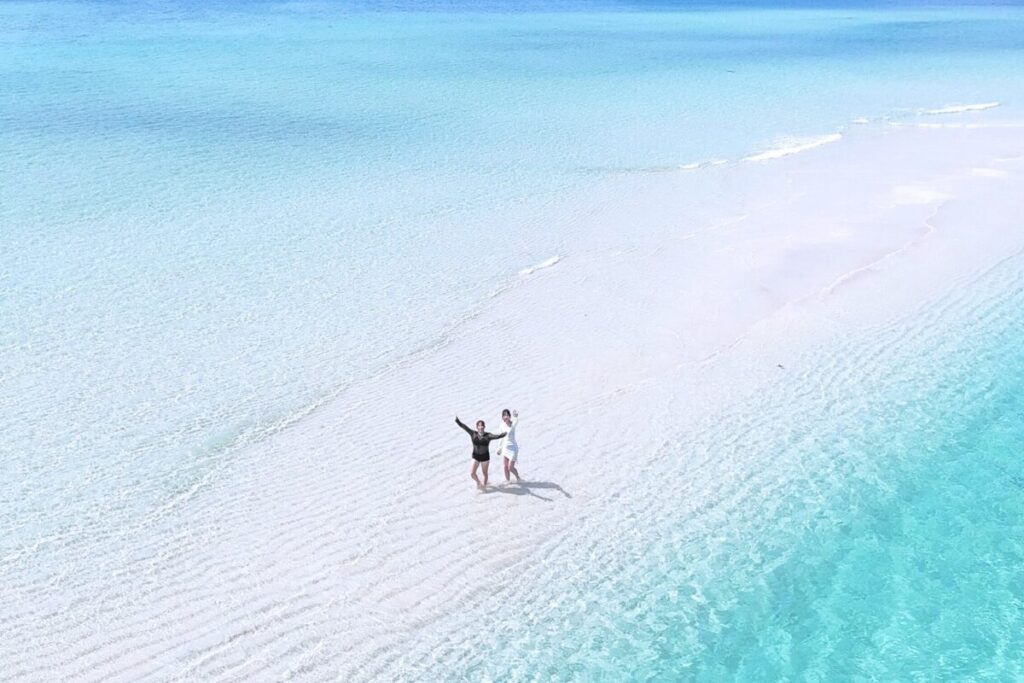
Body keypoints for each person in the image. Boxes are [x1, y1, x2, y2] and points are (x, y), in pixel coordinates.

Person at [455, 416, 506, 490]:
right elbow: (464, 427)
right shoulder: (473, 433)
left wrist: (504, 434)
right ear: (477, 427)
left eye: (482, 425)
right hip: (475, 457)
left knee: (484, 473)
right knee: (472, 473)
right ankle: (479, 483)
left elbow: (497, 436)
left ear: (484, 426)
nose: (481, 427)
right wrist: (457, 421)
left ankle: (484, 488)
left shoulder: (488, 435)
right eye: (479, 425)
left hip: (485, 458)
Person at [496, 409, 520, 483]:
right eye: (504, 415)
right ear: (502, 417)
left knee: (510, 467)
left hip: (513, 448)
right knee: (505, 467)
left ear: (509, 416)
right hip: (505, 448)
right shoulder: (501, 425)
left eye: (507, 415)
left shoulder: (513, 424)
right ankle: (508, 481)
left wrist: (516, 416)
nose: (505, 417)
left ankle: (518, 478)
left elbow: (516, 421)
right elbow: (501, 438)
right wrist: (499, 448)